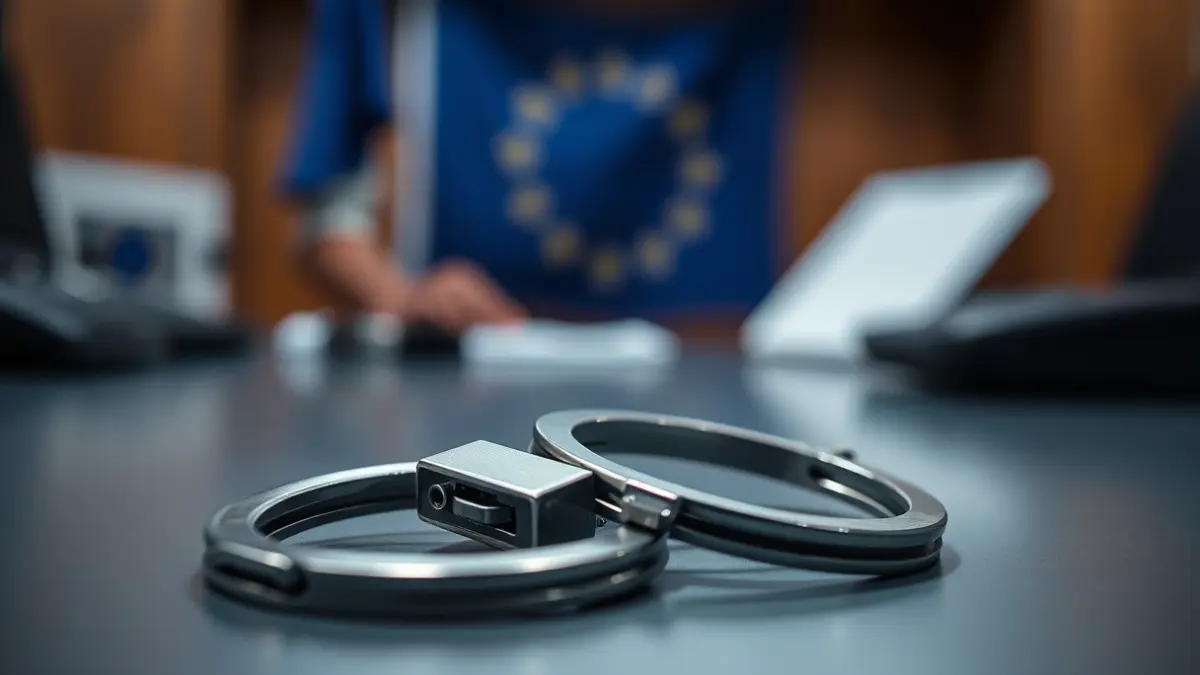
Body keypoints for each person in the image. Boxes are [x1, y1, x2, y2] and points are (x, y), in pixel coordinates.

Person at [282, 0, 797, 334]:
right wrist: (398, 297)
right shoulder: (382, 13)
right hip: (456, 377)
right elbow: (327, 208)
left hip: (688, 372)